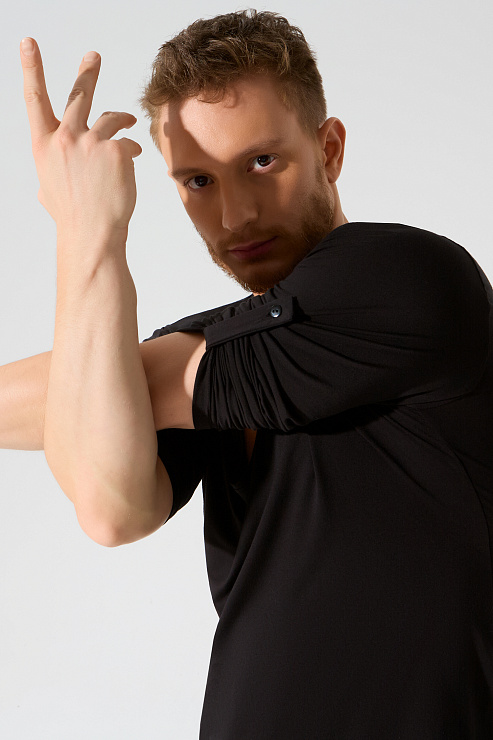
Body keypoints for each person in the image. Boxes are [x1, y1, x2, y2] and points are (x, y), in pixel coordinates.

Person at [7, 8, 493, 738]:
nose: (234, 215)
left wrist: (86, 232)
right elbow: (113, 508)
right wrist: (84, 233)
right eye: (198, 180)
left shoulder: (407, 279)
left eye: (261, 162)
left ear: (329, 148)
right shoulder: (228, 345)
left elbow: (103, 391)